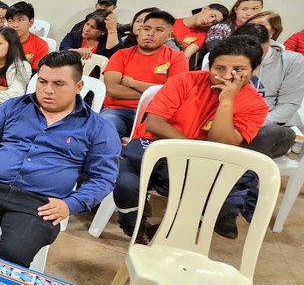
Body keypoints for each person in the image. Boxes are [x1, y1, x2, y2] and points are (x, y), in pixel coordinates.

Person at [0, 51, 121, 267]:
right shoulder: (14, 107)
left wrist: (69, 204)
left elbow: (104, 178)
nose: (48, 90)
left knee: (14, 254)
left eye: (59, 84)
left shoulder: (98, 127)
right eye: (42, 81)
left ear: (78, 87)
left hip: (42, 202)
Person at [114, 36, 269, 240]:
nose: (227, 76)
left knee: (211, 185)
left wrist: (226, 102)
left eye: (238, 70)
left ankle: (169, 231)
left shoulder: (256, 105)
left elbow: (221, 144)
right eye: (219, 68)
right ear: (210, 66)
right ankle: (136, 228)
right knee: (125, 185)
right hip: (155, 151)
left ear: (254, 69)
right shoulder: (184, 81)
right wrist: (194, 150)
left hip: (201, 167)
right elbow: (154, 124)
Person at [100, 11, 189, 137]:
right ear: (140, 31)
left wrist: (132, 83)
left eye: (159, 30)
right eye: (146, 28)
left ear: (169, 35)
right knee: (102, 132)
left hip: (156, 114)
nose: (150, 33)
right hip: (118, 111)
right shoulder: (121, 55)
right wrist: (155, 92)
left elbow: (174, 94)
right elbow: (112, 90)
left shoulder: (178, 58)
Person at [232, 23, 303, 157]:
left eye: (260, 50)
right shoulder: (228, 57)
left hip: (268, 125)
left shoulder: (292, 61)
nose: (253, 55)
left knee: (267, 133)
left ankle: (237, 166)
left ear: (269, 42)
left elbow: (289, 104)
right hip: (233, 122)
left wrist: (253, 124)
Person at [6, 1, 50, 68]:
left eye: (20, 20)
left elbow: (36, 74)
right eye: (10, 21)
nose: (15, 25)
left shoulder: (40, 45)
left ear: (31, 22)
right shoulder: (1, 40)